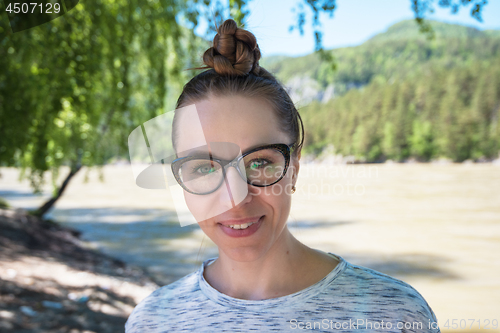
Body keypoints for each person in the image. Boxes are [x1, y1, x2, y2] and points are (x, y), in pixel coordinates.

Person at [125, 18, 441, 333]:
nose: (235, 199)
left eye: (260, 163)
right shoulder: (153, 322)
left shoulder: (395, 314)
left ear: (295, 168)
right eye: (204, 168)